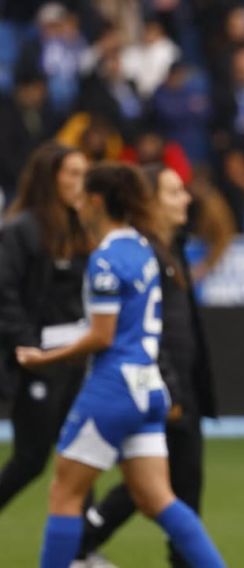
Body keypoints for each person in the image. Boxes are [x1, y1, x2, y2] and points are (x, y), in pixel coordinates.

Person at [15, 162, 225, 568]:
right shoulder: (143, 249)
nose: (75, 202)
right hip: (149, 387)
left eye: (81, 194)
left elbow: (102, 336)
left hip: (114, 387)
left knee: (64, 493)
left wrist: (45, 357)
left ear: (95, 201)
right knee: (158, 499)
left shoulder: (105, 258)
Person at [75, 164, 218, 567]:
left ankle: (79, 547)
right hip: (160, 390)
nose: (185, 199)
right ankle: (78, 547)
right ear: (149, 201)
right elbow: (148, 333)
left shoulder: (172, 250)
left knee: (161, 489)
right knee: (158, 490)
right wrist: (169, 385)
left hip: (179, 389)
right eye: (174, 193)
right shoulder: (144, 255)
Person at [0, 142, 89, 513]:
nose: (81, 182)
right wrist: (27, 345)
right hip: (39, 360)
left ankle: (82, 548)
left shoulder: (82, 229)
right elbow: (4, 293)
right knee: (31, 459)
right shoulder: (21, 231)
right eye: (73, 173)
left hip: (78, 359)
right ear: (50, 178)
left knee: (83, 458)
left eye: (85, 174)